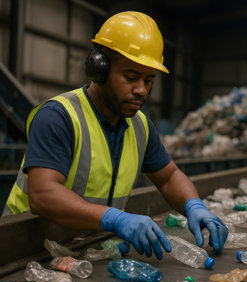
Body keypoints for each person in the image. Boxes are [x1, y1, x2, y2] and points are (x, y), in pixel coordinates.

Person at [4, 11, 228, 259]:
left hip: (87, 252)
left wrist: (194, 206)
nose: (142, 90)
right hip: (25, 254)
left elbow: (168, 177)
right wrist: (115, 218)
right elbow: (42, 195)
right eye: (131, 77)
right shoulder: (58, 117)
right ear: (99, 69)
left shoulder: (140, 125)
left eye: (148, 80)